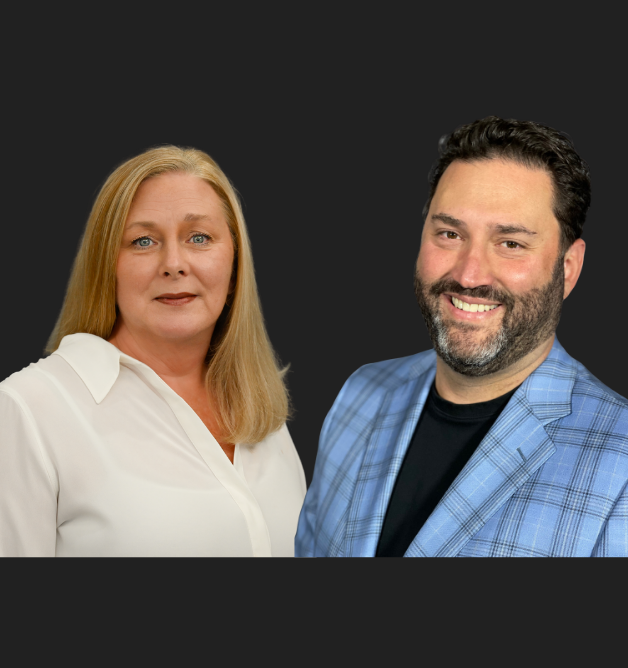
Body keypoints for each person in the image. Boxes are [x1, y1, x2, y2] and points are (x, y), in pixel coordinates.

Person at [296, 116, 628, 558]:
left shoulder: (621, 464)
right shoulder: (360, 394)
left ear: (567, 268)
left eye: (510, 243)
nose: (470, 275)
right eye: (450, 234)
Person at [0, 146, 305, 557]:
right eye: (143, 241)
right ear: (106, 267)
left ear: (234, 266)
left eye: (199, 238)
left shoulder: (261, 411)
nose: (174, 264)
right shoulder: (28, 410)